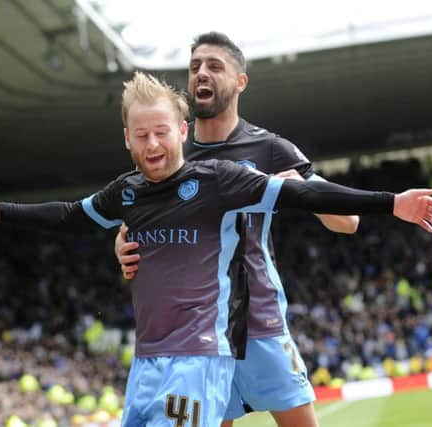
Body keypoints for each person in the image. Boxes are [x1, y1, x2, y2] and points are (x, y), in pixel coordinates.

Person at [0, 71, 432, 427]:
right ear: (127, 139)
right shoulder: (127, 192)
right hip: (147, 360)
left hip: (199, 357)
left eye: (162, 131)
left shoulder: (220, 180)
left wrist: (390, 202)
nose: (153, 143)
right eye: (141, 135)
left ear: (182, 131)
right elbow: (69, 216)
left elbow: (304, 194)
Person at [115, 31, 356, 427]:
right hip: (199, 337)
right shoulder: (172, 151)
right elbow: (132, 224)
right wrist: (121, 246)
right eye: (194, 68)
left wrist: (300, 188)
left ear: (240, 81)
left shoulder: (271, 149)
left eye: (214, 66)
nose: (201, 74)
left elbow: (348, 222)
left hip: (260, 322)